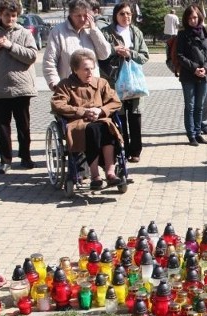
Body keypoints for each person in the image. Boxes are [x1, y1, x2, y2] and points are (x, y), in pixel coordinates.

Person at [50, 49, 123, 190]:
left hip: (100, 119)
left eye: (91, 69)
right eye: (85, 69)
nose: (90, 73)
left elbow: (115, 102)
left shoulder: (101, 83)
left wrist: (100, 110)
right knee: (93, 129)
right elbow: (57, 104)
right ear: (75, 70)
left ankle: (110, 172)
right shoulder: (65, 85)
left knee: (108, 128)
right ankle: (95, 175)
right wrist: (82, 111)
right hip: (78, 123)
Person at [102, 1, 149, 163]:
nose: (126, 17)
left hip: (134, 82)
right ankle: (122, 148)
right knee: (119, 117)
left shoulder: (136, 32)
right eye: (122, 14)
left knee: (135, 117)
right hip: (115, 82)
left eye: (128, 13)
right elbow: (101, 54)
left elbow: (144, 56)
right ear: (115, 16)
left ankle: (135, 151)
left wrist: (130, 53)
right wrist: (116, 52)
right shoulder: (107, 33)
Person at [0, 0, 37, 174]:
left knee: (23, 125)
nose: (10, 19)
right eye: (6, 15)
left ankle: (26, 157)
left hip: (22, 87)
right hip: (0, 87)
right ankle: (5, 160)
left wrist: (10, 46)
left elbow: (32, 56)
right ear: (0, 14)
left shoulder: (25, 33)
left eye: (13, 16)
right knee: (2, 126)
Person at [43, 0, 112, 91]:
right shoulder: (58, 32)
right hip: (70, 89)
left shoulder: (92, 31)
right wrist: (55, 84)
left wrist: (94, 31)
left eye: (85, 15)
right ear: (71, 15)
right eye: (78, 16)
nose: (82, 19)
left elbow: (105, 54)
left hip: (93, 88)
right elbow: (49, 61)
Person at [176, 4, 207, 146]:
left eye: (195, 17)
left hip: (204, 75)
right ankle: (191, 135)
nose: (193, 20)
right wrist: (195, 69)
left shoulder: (205, 31)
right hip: (189, 76)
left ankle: (198, 133)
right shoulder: (182, 34)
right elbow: (180, 55)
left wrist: (205, 68)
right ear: (186, 19)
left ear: (199, 18)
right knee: (190, 106)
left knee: (200, 106)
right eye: (190, 18)